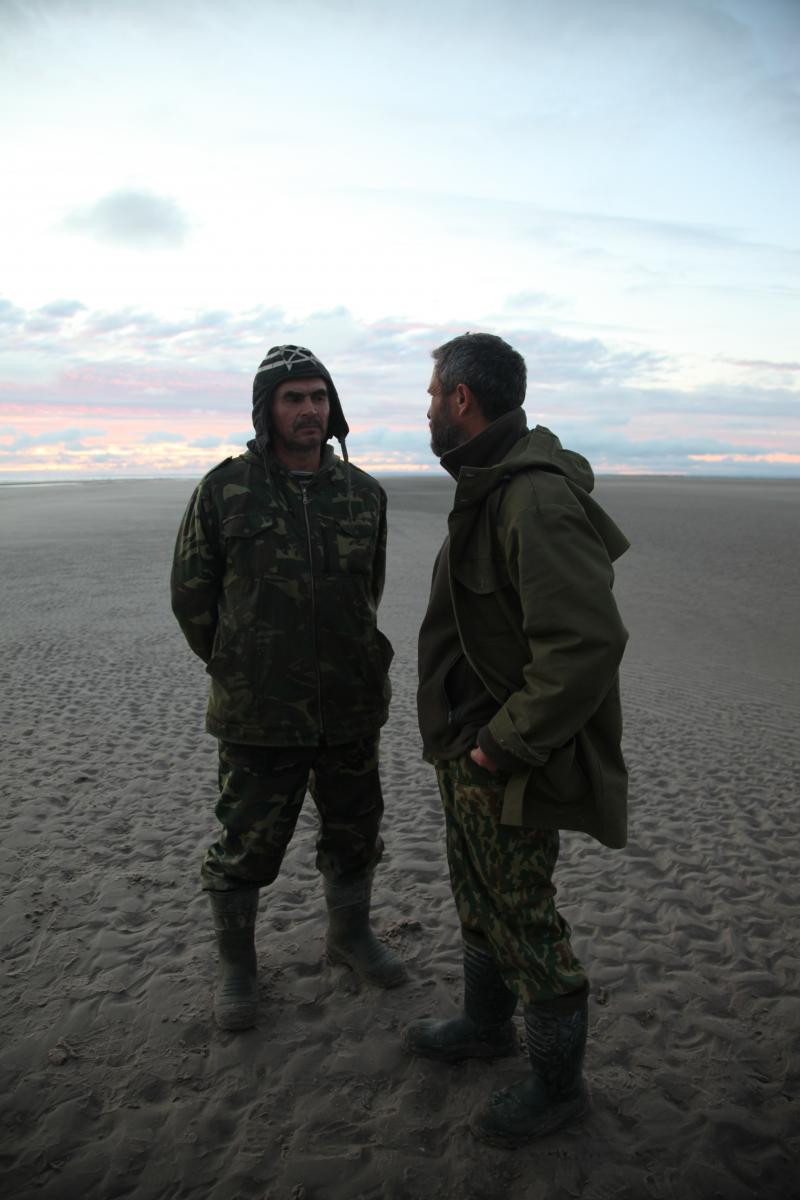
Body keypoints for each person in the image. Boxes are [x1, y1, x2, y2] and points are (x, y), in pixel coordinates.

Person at [402, 332, 629, 1146]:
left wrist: (502, 745)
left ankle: (559, 1089)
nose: (428, 409)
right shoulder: (488, 484)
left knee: (526, 920)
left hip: (506, 760)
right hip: (467, 749)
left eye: (433, 395)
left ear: (462, 398)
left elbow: (585, 644)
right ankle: (485, 1026)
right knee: (479, 900)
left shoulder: (532, 497)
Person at [171, 344, 407, 1032]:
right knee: (245, 844)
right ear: (266, 409)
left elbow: (369, 590)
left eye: (319, 397)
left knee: (356, 832)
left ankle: (350, 936)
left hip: (350, 706)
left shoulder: (363, 493)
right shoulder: (225, 490)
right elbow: (192, 597)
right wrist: (239, 663)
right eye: (293, 398)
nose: (309, 410)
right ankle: (238, 967)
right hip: (259, 713)